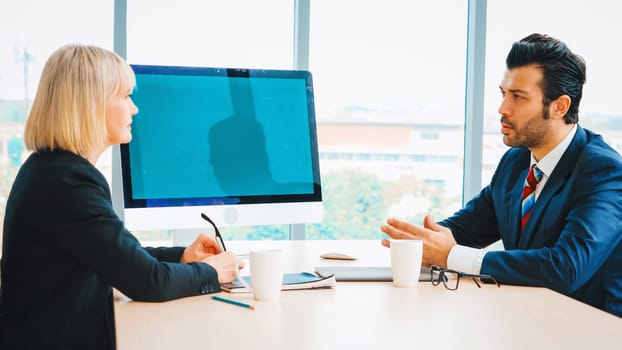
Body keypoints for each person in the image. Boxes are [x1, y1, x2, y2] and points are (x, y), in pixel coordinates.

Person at [0, 44, 241, 349]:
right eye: (126, 96)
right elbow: (148, 282)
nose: (134, 109)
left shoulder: (50, 170)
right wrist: (212, 272)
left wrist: (182, 257)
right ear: (91, 104)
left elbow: (119, 255)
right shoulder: (69, 184)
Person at [381, 33, 622, 317]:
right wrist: (422, 241)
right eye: (503, 93)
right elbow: (465, 229)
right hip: (527, 321)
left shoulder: (604, 173)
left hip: (593, 332)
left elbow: (565, 267)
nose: (502, 108)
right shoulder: (517, 160)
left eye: (518, 97)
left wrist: (450, 255)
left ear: (559, 107)